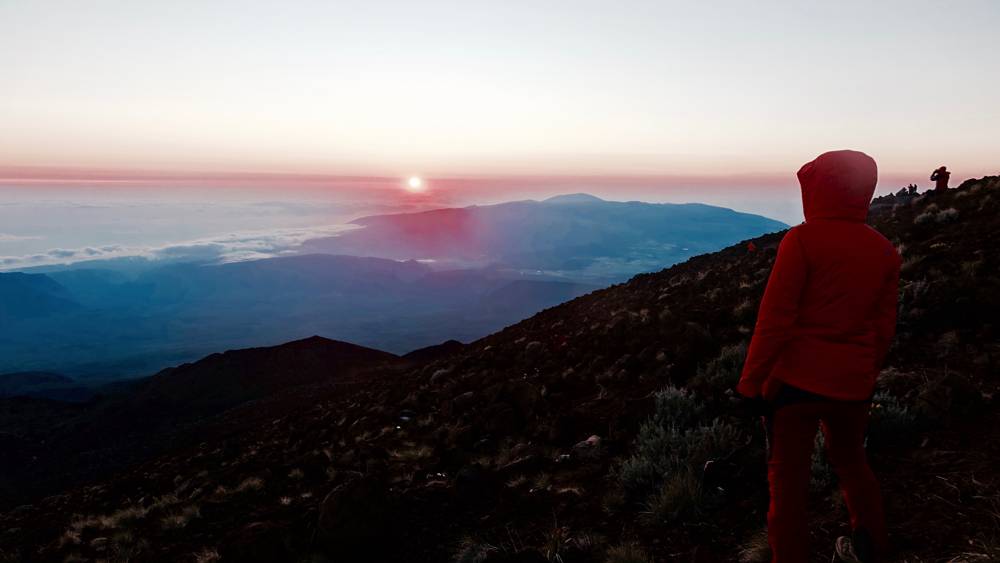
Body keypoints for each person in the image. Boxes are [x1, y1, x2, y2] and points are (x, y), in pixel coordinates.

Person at [737, 150, 900, 563]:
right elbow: (882, 328)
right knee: (852, 464)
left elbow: (773, 322)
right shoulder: (884, 251)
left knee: (787, 484)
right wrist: (865, 372)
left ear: (818, 189)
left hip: (794, 387)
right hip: (853, 386)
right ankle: (873, 547)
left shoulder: (802, 241)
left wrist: (751, 384)